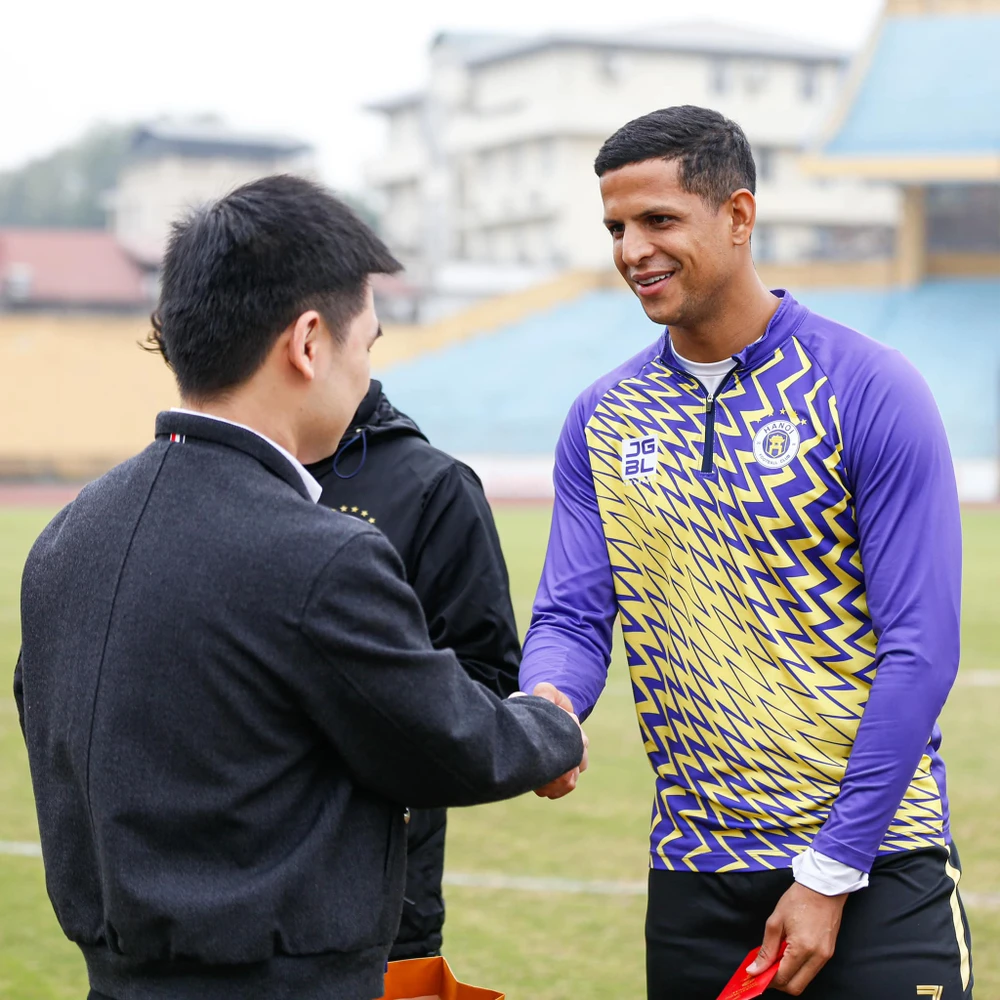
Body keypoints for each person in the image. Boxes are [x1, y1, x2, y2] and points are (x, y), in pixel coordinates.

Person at [14, 174, 585, 1000]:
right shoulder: (319, 556)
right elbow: (453, 739)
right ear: (310, 342)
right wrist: (551, 727)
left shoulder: (68, 535)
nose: (365, 377)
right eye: (368, 346)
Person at [519, 106, 972, 998]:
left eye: (657, 220)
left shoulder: (868, 388)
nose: (630, 250)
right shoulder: (601, 420)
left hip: (878, 863)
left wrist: (832, 868)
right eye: (615, 226)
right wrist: (551, 705)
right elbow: (573, 613)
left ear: (738, 214)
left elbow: (921, 648)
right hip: (695, 873)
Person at [307, 379, 521, 960]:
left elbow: (488, 681)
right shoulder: (207, 474)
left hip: (378, 904)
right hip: (205, 901)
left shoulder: (432, 486)